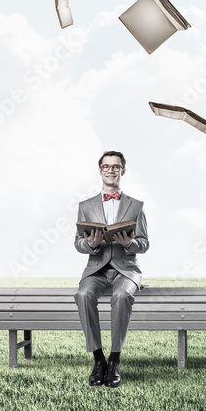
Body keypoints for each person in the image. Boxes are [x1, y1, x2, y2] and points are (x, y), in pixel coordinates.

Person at [73, 150, 149, 387]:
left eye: (116, 167)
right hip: (96, 269)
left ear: (122, 171)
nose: (111, 170)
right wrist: (91, 244)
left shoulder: (136, 206)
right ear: (100, 170)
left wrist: (129, 243)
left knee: (122, 294)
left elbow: (145, 243)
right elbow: (78, 242)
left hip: (126, 269)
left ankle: (114, 360)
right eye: (106, 166)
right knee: (83, 294)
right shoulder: (85, 206)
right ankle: (98, 360)